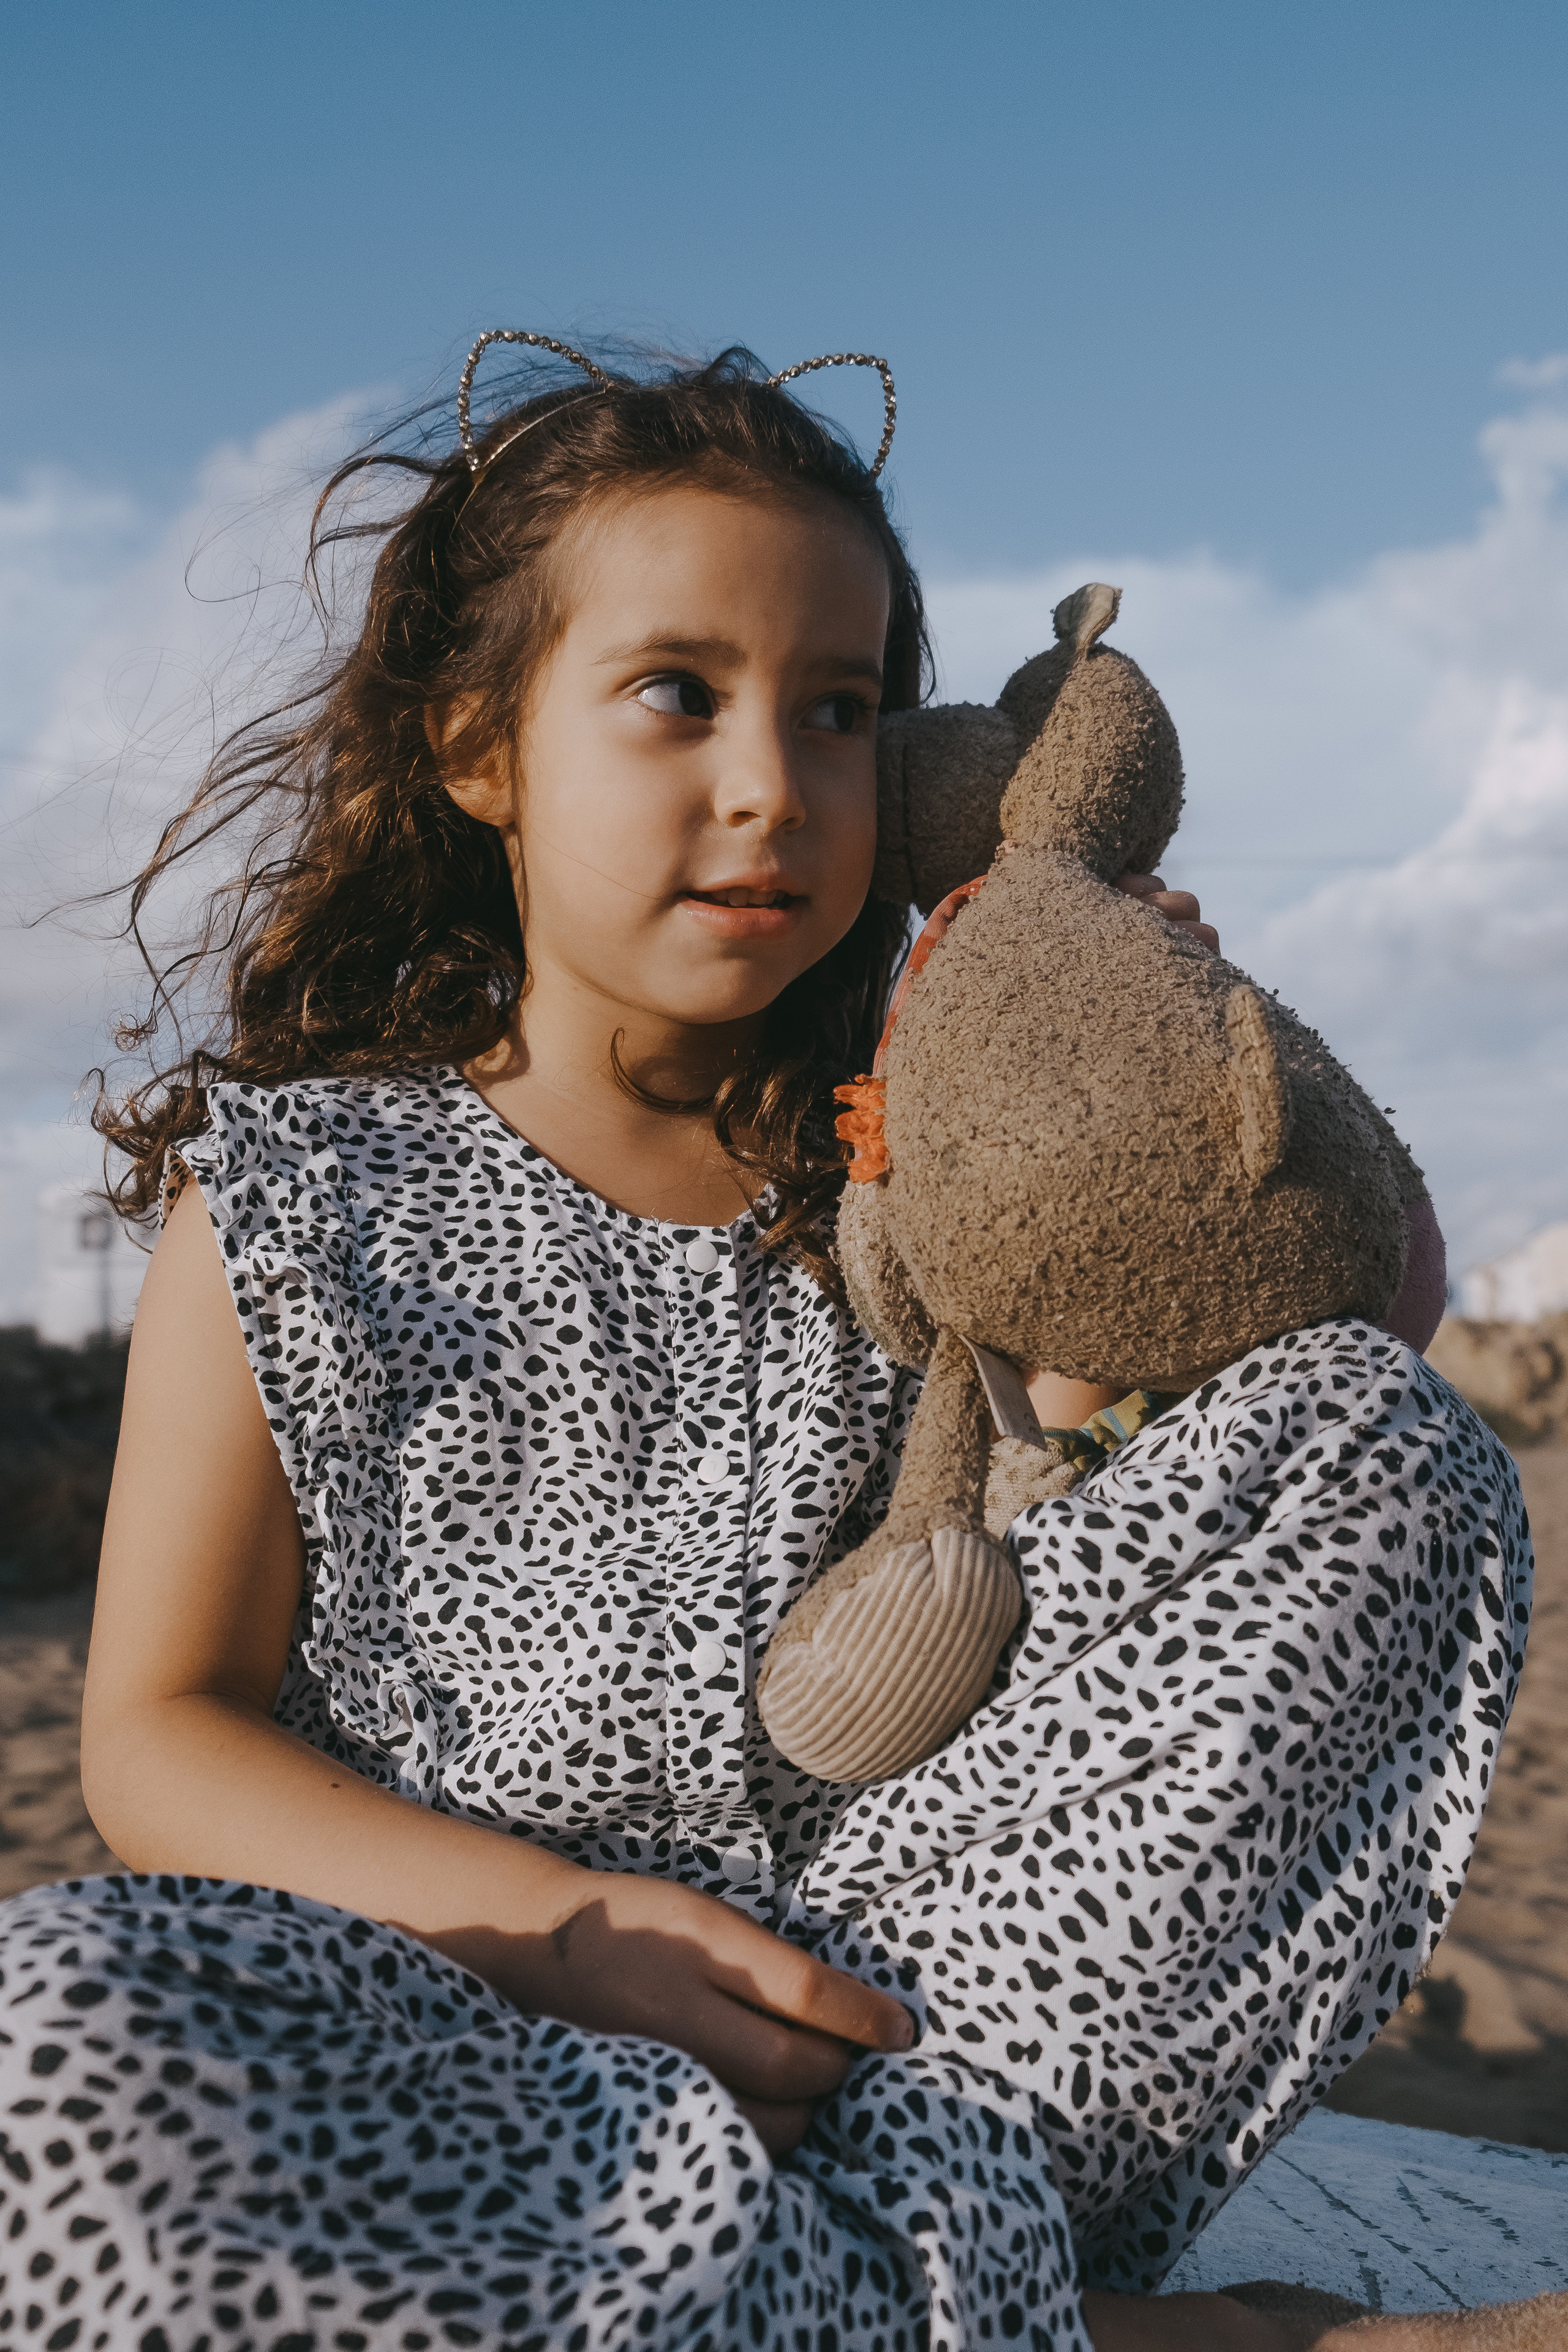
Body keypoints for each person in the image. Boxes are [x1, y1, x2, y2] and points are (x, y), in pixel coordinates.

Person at [0, 342, 1530, 2352]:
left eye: (839, 712)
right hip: (476, 2027)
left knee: (1370, 1435)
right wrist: (575, 1941)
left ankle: (876, 2283)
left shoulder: (902, 1165)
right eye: (674, 695)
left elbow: (1131, 1471)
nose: (770, 782)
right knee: (49, 2058)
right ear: (479, 743)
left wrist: (1138, 1079)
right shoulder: (304, 1188)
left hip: (908, 2023)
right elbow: (156, 1735)